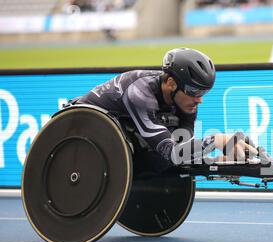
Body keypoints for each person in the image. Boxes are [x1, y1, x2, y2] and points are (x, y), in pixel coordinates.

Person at [68, 47, 257, 174]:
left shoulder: (185, 100)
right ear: (171, 83)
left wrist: (220, 159)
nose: (199, 100)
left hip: (120, 138)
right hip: (78, 129)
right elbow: (173, 153)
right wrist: (216, 140)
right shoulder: (140, 93)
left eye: (204, 93)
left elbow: (183, 150)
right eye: (194, 92)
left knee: (162, 163)